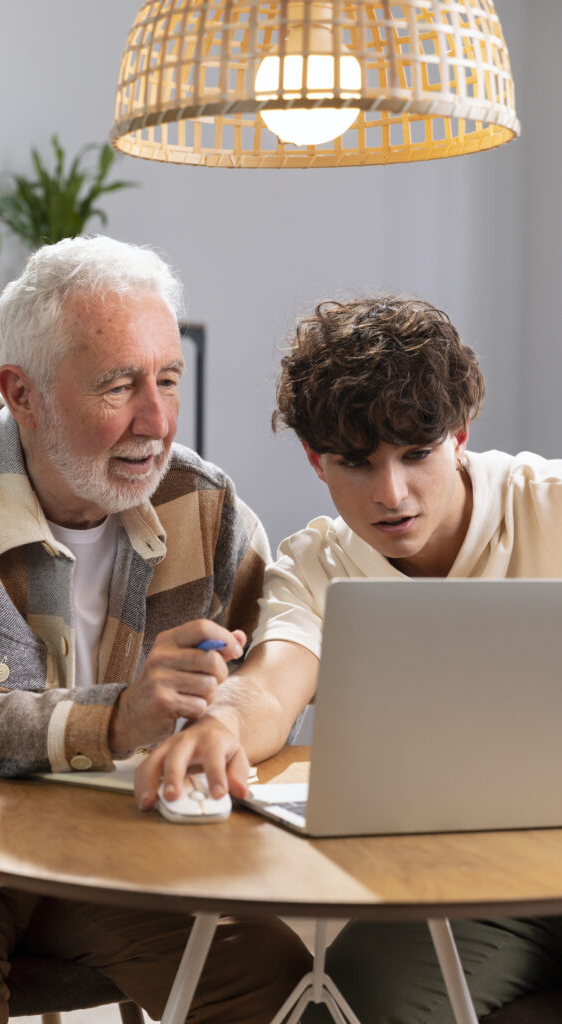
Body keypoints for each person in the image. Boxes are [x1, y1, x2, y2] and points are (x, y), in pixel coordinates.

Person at [0, 235, 310, 1024]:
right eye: (118, 386)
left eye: (168, 380)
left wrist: (226, 712)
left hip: (120, 852)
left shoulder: (201, 505)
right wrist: (112, 720)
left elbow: (277, 669)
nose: (155, 420)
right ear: (23, 393)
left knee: (275, 979)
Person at [137, 295, 562, 1022]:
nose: (390, 494)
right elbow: (270, 687)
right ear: (315, 459)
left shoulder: (549, 504)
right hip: (464, 888)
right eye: (356, 463)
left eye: (416, 454)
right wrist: (221, 727)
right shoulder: (316, 566)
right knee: (345, 1008)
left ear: (459, 434)